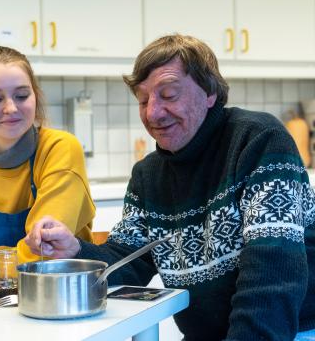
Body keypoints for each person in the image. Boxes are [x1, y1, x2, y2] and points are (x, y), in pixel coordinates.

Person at [25, 34, 315, 341]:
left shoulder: (259, 141)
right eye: (143, 99)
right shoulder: (147, 174)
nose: (152, 113)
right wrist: (75, 250)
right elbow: (128, 258)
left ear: (210, 93)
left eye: (169, 95)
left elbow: (271, 275)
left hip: (291, 331)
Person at [0, 46, 95, 263]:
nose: (10, 108)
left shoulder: (59, 148)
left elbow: (44, 250)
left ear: (36, 97)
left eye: (21, 95)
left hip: (58, 292)